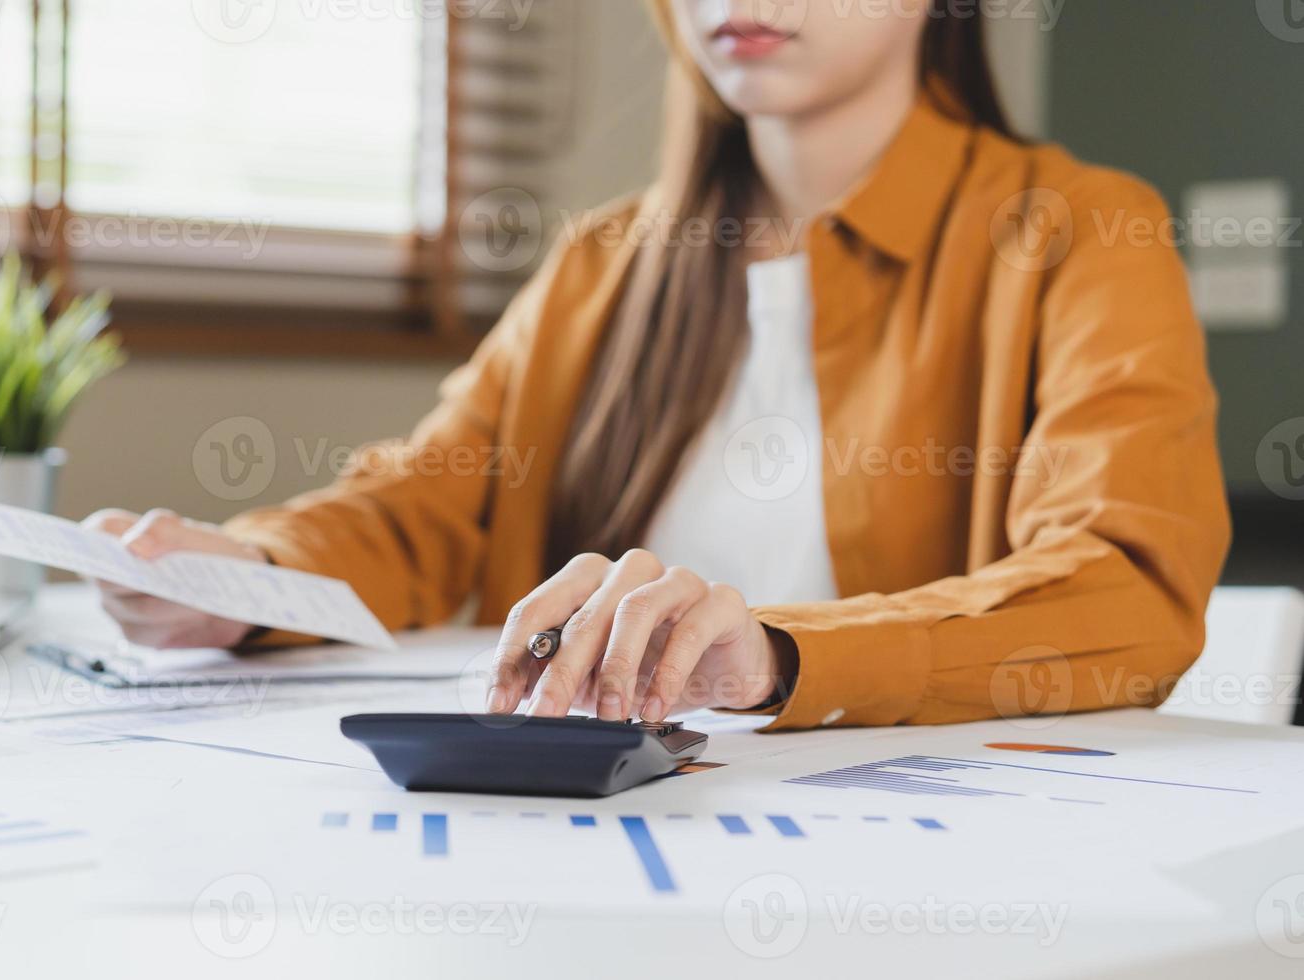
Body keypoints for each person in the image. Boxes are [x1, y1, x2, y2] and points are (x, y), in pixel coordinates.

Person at [86, 0, 1229, 732]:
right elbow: (424, 508)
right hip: (598, 851)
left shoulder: (1078, 230)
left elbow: (1123, 585)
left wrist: (780, 658)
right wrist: (239, 578)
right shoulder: (603, 263)